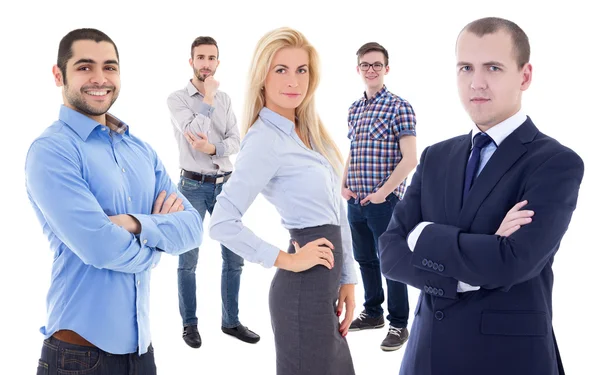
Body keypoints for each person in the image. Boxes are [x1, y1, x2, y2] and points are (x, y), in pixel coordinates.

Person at [378, 17, 584, 375]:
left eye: (493, 67)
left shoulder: (555, 163)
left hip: (506, 359)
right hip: (426, 355)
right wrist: (483, 250)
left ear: (525, 76)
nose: (477, 82)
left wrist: (424, 235)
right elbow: (391, 253)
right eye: (465, 68)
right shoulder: (435, 156)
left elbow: (513, 262)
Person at [26, 28, 203, 374]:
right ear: (58, 75)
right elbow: (100, 247)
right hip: (78, 357)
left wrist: (135, 223)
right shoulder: (51, 151)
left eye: (109, 67)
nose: (99, 78)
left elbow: (193, 228)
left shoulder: (141, 151)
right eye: (84, 67)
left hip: (142, 354)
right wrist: (156, 247)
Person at [209, 27, 358, 375]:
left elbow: (338, 212)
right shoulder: (263, 141)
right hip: (302, 293)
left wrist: (348, 278)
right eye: (281, 69)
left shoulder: (309, 133)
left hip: (326, 286)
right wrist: (284, 260)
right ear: (262, 77)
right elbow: (221, 222)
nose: (294, 81)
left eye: (301, 70)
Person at [167, 36, 259, 348]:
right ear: (191, 61)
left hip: (226, 184)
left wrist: (214, 148)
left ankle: (231, 322)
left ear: (218, 63)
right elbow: (194, 132)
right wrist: (207, 98)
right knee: (188, 259)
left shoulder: (227, 100)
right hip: (192, 185)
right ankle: (189, 324)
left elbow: (236, 140)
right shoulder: (177, 99)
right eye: (201, 57)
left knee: (234, 257)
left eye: (211, 58)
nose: (206, 63)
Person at [343, 42, 418, 351]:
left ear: (386, 69)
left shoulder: (399, 106)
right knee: (365, 260)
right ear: (358, 69)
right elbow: (353, 150)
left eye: (376, 64)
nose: (370, 69)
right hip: (355, 201)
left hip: (383, 203)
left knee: (392, 263)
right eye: (365, 64)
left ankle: (398, 324)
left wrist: (382, 194)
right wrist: (343, 184)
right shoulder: (355, 108)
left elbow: (410, 158)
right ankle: (372, 312)